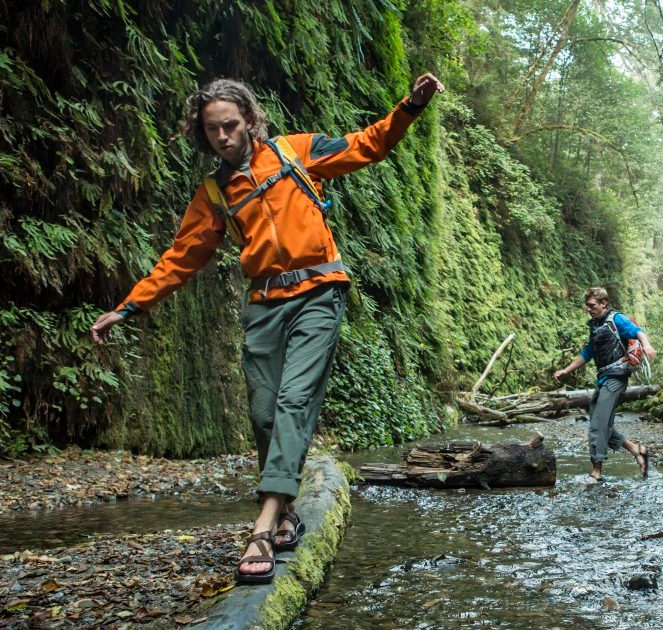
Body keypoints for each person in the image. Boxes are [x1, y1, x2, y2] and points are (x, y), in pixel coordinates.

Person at [90, 73, 444, 584]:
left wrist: (409, 106)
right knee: (262, 412)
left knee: (294, 400)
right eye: (212, 131)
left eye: (230, 125)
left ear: (250, 120)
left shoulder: (297, 153)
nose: (223, 137)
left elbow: (368, 144)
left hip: (320, 293)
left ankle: (263, 522)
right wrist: (129, 307)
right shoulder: (213, 193)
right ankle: (289, 511)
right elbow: (180, 259)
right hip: (263, 303)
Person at [553, 287, 657, 483]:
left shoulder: (616, 319)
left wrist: (647, 345)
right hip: (603, 379)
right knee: (601, 424)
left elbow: (638, 332)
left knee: (598, 424)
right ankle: (637, 450)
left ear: (603, 303)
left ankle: (596, 472)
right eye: (587, 306)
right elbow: (587, 352)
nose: (589, 309)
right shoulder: (595, 326)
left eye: (592, 306)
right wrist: (566, 370)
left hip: (617, 378)